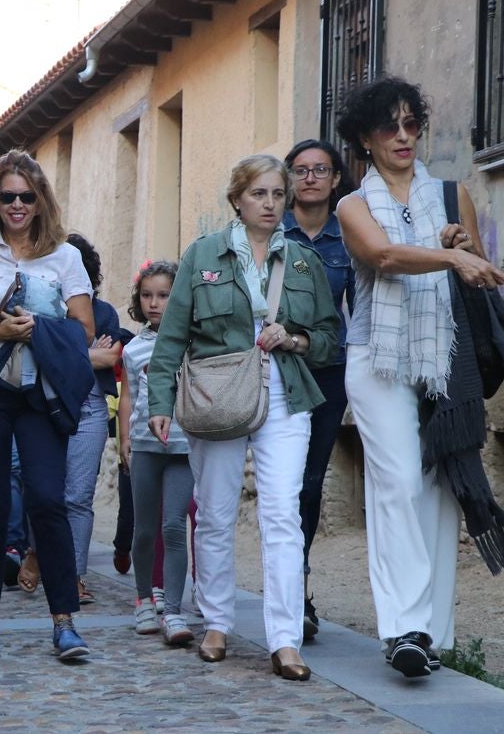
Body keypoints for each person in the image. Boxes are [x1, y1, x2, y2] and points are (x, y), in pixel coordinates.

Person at [334, 77, 504, 678]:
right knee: (400, 483)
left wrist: (461, 244)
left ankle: (432, 636)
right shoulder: (353, 205)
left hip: (444, 357)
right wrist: (447, 255)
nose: (404, 136)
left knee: (438, 488)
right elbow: (383, 256)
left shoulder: (451, 193)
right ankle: (404, 628)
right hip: (378, 357)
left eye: (412, 123)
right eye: (390, 126)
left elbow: (476, 271)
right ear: (365, 138)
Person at [146, 155, 340, 681]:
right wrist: (160, 401)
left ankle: (285, 639)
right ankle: (216, 624)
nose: (270, 204)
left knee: (282, 514)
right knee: (214, 512)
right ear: (237, 199)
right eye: (259, 194)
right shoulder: (203, 254)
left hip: (285, 393)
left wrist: (294, 338)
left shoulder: (303, 261)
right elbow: (172, 335)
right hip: (218, 393)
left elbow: (329, 339)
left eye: (278, 194)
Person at [0, 149, 95, 661]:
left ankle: (65, 623)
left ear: (41, 201)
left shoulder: (65, 256)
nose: (17, 205)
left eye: (26, 197)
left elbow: (85, 329)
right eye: (7, 196)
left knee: (48, 500)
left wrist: (38, 327)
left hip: (41, 388)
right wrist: (1, 331)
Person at [281, 139, 355, 640]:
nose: (310, 178)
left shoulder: (348, 236)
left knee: (308, 483)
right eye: (301, 170)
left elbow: (361, 306)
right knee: (283, 485)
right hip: (277, 368)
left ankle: (298, 590)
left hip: (328, 370)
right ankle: (284, 587)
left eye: (320, 170)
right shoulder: (271, 230)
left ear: (335, 179)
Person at [119, 260, 194, 644]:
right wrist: (124, 438)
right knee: (145, 529)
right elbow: (129, 396)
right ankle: (144, 599)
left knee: (173, 526)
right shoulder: (133, 349)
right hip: (146, 447)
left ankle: (175, 611)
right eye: (147, 295)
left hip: (183, 446)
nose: (154, 303)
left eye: (163, 295)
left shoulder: (193, 344)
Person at [62, 233, 122, 604]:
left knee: (79, 496)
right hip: (45, 407)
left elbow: (110, 358)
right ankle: (37, 554)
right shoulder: (45, 309)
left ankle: (74, 576)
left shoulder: (105, 313)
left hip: (90, 406)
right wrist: (87, 353)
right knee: (45, 493)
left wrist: (61, 351)